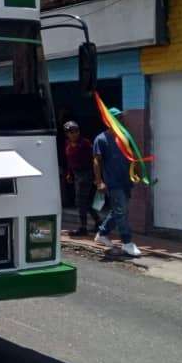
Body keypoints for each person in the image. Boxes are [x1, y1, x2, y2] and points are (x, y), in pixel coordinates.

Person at [93, 108, 142, 257]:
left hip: (126, 180)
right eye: (117, 118)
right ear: (109, 120)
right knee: (121, 212)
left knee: (118, 210)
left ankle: (102, 233)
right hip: (113, 182)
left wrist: (139, 173)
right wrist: (99, 182)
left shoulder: (125, 137)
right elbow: (97, 161)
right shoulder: (101, 139)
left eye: (121, 118)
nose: (121, 120)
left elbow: (133, 157)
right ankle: (127, 243)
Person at [63, 120, 101, 236]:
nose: (74, 134)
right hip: (76, 174)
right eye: (71, 132)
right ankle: (99, 222)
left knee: (80, 201)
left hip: (86, 174)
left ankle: (83, 227)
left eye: (76, 131)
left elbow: (94, 160)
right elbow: (69, 160)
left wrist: (96, 176)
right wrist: (69, 173)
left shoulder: (85, 143)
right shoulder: (68, 144)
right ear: (67, 133)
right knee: (86, 202)